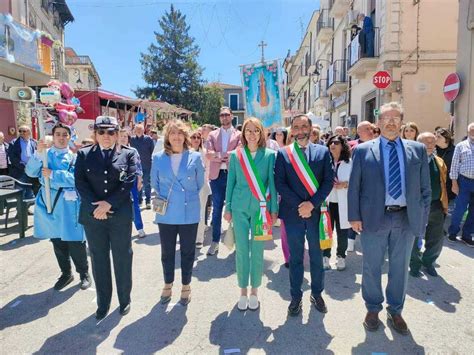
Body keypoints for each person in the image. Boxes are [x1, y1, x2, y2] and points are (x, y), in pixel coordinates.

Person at [348, 102, 431, 335]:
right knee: (372, 266)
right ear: (379, 122)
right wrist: (354, 216)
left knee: (399, 268)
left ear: (402, 122)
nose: (391, 121)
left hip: (406, 218)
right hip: (375, 217)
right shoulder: (363, 150)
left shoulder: (418, 150)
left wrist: (421, 219)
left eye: (396, 118)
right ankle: (373, 308)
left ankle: (395, 310)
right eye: (386, 117)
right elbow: (354, 187)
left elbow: (425, 190)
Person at [75, 116, 137, 320]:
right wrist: (97, 207)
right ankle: (103, 303)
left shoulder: (128, 154)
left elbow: (129, 181)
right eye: (101, 132)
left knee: (122, 257)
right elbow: (80, 183)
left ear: (117, 134)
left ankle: (124, 299)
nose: (106, 136)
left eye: (111, 132)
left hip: (119, 215)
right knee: (99, 259)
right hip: (94, 217)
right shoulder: (84, 155)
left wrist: (109, 203)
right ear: (95, 134)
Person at [275, 114, 334, 316]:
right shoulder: (283, 154)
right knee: (296, 258)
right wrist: (301, 205)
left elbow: (328, 181)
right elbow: (280, 184)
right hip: (293, 214)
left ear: (310, 129)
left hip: (316, 213)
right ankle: (296, 296)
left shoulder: (323, 152)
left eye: (303, 126)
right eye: (296, 127)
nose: (300, 130)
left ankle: (317, 294)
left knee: (317, 257)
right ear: (292, 130)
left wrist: (311, 204)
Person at [25, 123, 91, 291]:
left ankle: (84, 273)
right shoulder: (45, 155)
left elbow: (77, 179)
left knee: (75, 240)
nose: (61, 138)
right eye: (58, 134)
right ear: (53, 137)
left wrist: (54, 174)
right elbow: (31, 173)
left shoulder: (76, 158)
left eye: (65, 135)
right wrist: (38, 154)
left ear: (70, 137)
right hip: (50, 203)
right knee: (57, 241)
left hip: (70, 205)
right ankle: (66, 273)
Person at [224, 118, 278, 311]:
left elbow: (272, 183)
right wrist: (227, 208)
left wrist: (273, 210)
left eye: (256, 131)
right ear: (243, 134)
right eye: (248, 130)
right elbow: (230, 182)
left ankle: (255, 290)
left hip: (260, 209)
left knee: (257, 250)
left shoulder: (270, 155)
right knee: (241, 250)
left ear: (261, 133)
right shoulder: (235, 155)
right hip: (239, 207)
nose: (252, 134)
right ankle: (242, 291)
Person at [151, 120, 204, 305]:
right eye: (172, 133)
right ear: (167, 137)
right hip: (166, 211)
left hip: (189, 210)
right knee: (167, 252)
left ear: (185, 136)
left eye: (180, 133)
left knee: (188, 252)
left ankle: (186, 285)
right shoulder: (158, 158)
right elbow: (154, 183)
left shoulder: (195, 157)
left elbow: (199, 184)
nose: (176, 137)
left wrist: (186, 198)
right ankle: (167, 283)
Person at [410, 132, 448, 277]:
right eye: (427, 142)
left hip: (435, 204)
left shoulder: (439, 161)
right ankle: (414, 264)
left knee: (436, 237)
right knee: (414, 236)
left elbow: (443, 183)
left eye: (433, 142)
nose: (431, 145)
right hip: (416, 205)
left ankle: (429, 262)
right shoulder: (412, 160)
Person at [205, 106, 241, 256]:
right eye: (222, 115)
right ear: (219, 118)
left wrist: (218, 155)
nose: (224, 117)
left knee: (237, 209)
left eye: (227, 114)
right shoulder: (212, 134)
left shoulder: (239, 134)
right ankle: (215, 241)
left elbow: (238, 153)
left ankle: (239, 242)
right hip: (217, 176)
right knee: (217, 209)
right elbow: (208, 154)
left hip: (234, 175)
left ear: (232, 116)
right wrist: (225, 155)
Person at [322, 135, 352, 271]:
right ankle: (325, 256)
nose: (332, 145)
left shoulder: (350, 162)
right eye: (330, 143)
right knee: (326, 231)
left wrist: (346, 184)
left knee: (342, 232)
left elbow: (358, 182)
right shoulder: (324, 161)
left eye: (336, 142)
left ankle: (341, 257)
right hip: (327, 202)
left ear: (342, 145)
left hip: (343, 203)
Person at [447, 123, 474, 246]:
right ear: (468, 131)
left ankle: (466, 235)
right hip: (464, 181)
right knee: (460, 209)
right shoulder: (461, 146)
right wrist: (454, 183)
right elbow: (454, 165)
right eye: (472, 130)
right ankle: (453, 232)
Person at [118, 129, 146, 238]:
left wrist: (139, 180)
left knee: (134, 205)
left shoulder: (133, 150)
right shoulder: (114, 150)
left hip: (131, 181)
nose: (123, 138)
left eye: (125, 136)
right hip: (117, 183)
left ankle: (139, 228)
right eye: (121, 136)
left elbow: (138, 166)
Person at [189, 129, 211, 249]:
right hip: (188, 188)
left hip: (201, 187)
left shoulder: (205, 153)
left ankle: (199, 238)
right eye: (194, 137)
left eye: (198, 138)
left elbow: (207, 169)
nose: (196, 140)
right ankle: (189, 237)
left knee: (201, 212)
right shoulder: (185, 152)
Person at [435, 128, 456, 235]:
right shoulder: (434, 149)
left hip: (448, 184)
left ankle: (439, 228)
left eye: (438, 137)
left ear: (446, 138)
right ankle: (435, 228)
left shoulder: (455, 150)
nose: (435, 139)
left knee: (444, 207)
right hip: (435, 183)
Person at [8, 125, 38, 198]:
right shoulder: (13, 143)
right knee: (20, 192)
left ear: (29, 132)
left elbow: (37, 155)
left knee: (31, 191)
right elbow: (13, 158)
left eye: (24, 131)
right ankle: (20, 208)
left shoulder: (33, 142)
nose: (21, 133)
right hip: (20, 171)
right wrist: (23, 167)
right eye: (20, 131)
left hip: (32, 171)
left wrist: (33, 166)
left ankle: (28, 207)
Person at [130, 124, 155, 209]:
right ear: (135, 130)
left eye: (140, 129)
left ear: (143, 130)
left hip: (147, 165)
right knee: (138, 184)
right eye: (137, 129)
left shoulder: (148, 139)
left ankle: (148, 201)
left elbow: (152, 152)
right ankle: (140, 200)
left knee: (147, 183)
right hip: (136, 167)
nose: (139, 131)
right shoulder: (132, 140)